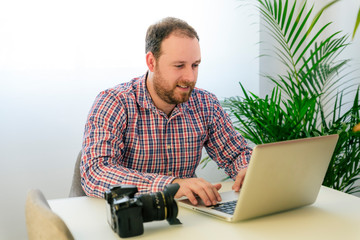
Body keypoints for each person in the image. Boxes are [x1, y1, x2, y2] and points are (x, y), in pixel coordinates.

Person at [81, 17, 252, 206]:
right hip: (132, 218)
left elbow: (236, 154)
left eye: (195, 65)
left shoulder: (206, 103)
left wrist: (247, 169)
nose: (190, 77)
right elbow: (95, 173)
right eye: (179, 66)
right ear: (151, 62)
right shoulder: (114, 102)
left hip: (189, 214)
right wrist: (171, 185)